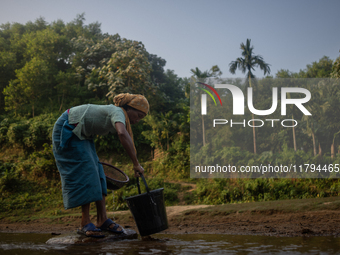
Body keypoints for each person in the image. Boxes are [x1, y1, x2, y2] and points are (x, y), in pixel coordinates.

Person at [52, 93, 148, 238]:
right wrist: (136, 164)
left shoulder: (120, 115)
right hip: (70, 128)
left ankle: (102, 219)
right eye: (139, 115)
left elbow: (125, 136)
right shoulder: (118, 112)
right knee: (88, 172)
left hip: (83, 135)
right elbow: (122, 134)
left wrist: (136, 163)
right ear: (129, 109)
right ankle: (85, 223)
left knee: (99, 173)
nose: (138, 120)